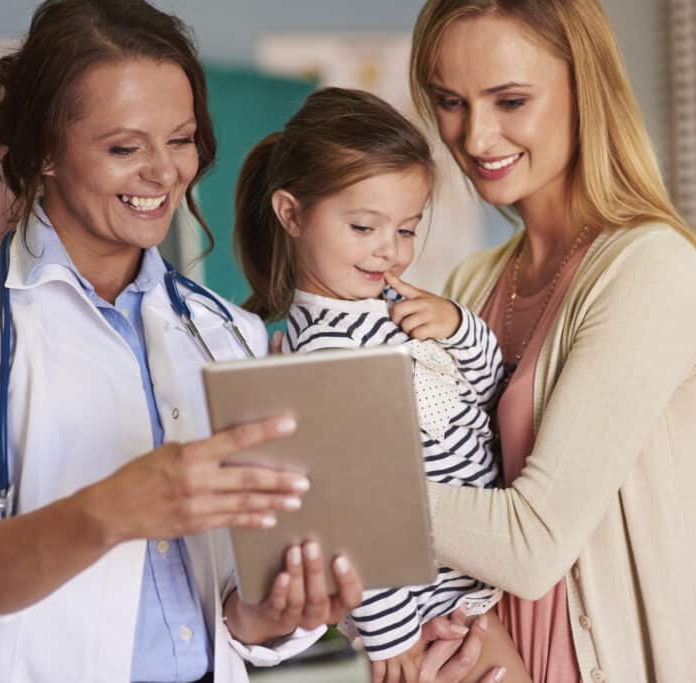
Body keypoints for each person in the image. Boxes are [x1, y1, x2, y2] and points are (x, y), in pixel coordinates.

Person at [0, 1, 365, 681]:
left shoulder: (227, 332)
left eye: (180, 139)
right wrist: (109, 511)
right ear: (44, 151)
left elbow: (227, 607)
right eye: (125, 147)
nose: (163, 173)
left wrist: (271, 617)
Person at [407, 0, 696, 681]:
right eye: (451, 102)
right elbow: (443, 504)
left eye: (511, 99)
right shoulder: (471, 284)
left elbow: (531, 543)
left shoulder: (652, 268)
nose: (475, 136)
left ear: (586, 87)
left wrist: (342, 489)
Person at [233, 87, 527, 683]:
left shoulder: (400, 310)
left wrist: (459, 326)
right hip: (422, 618)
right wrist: (393, 637)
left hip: (476, 589)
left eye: (407, 229)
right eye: (364, 226)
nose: (388, 251)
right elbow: (347, 512)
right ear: (291, 214)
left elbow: (492, 398)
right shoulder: (321, 358)